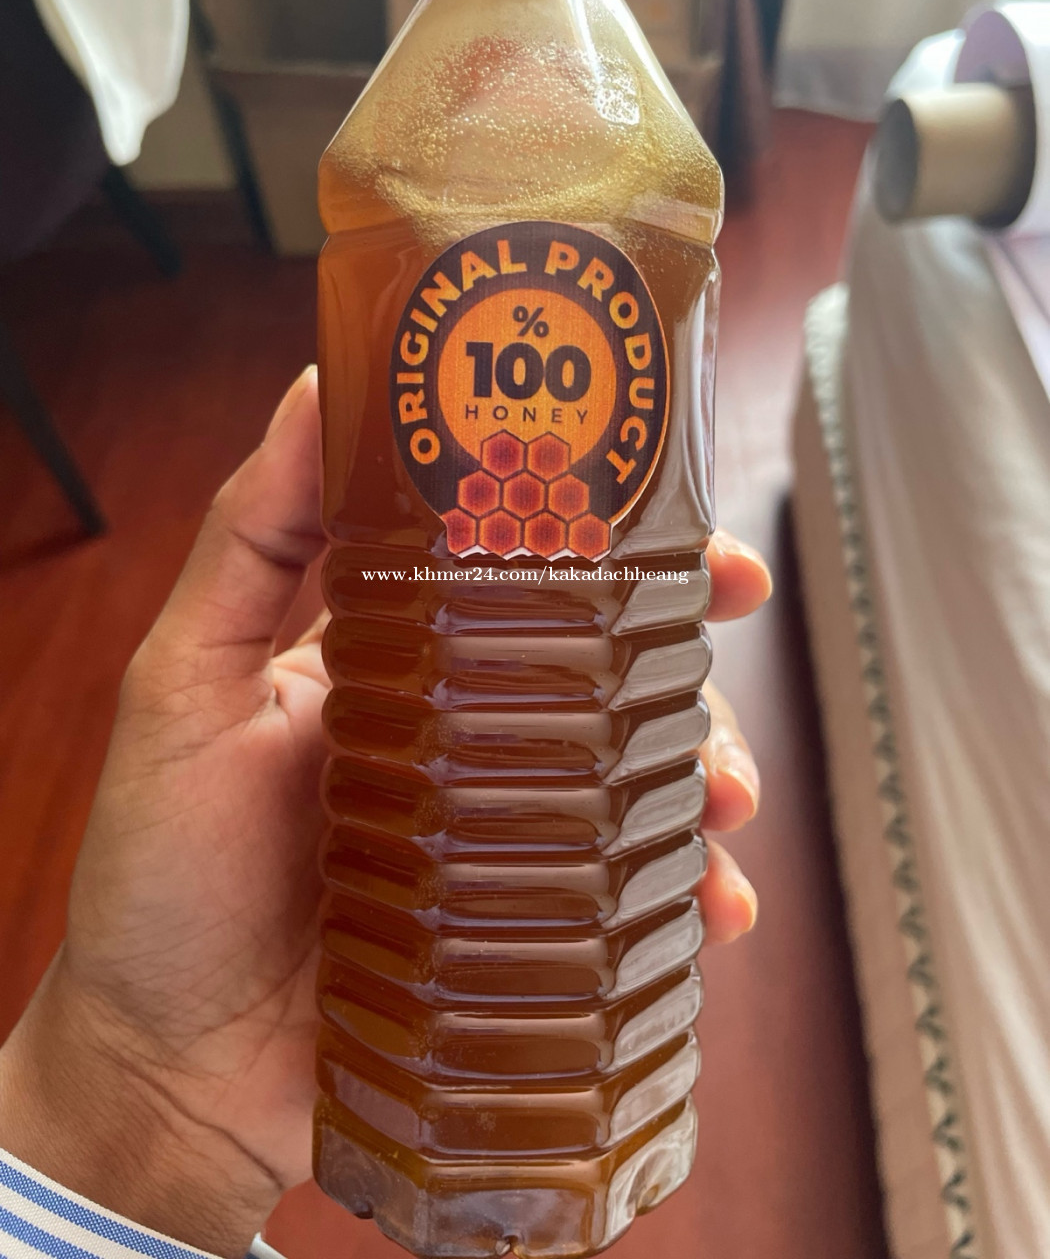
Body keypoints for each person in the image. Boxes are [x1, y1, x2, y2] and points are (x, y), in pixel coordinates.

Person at [0, 368, 770, 1259]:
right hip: (392, 1027)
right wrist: (143, 1074)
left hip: (581, 1084)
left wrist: (146, 1091)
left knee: (629, 668)